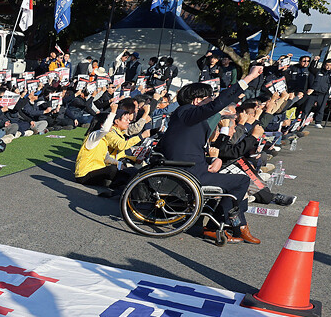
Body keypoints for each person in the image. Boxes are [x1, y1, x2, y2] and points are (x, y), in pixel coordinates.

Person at [155, 64, 264, 244]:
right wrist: (249, 78)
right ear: (197, 100)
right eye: (208, 99)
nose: (211, 103)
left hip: (193, 166)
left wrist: (213, 159)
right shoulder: (186, 113)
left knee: (236, 180)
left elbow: (193, 146)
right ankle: (229, 226)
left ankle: (234, 225)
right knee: (241, 181)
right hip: (189, 172)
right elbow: (219, 103)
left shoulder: (186, 116)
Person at [72, 102, 143, 194]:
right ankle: (121, 188)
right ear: (102, 124)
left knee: (123, 170)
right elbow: (105, 130)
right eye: (110, 122)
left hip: (96, 171)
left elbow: (106, 158)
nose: (112, 124)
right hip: (84, 174)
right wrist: (113, 112)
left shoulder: (103, 140)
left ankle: (129, 188)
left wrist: (119, 163)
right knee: (112, 170)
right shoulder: (93, 137)